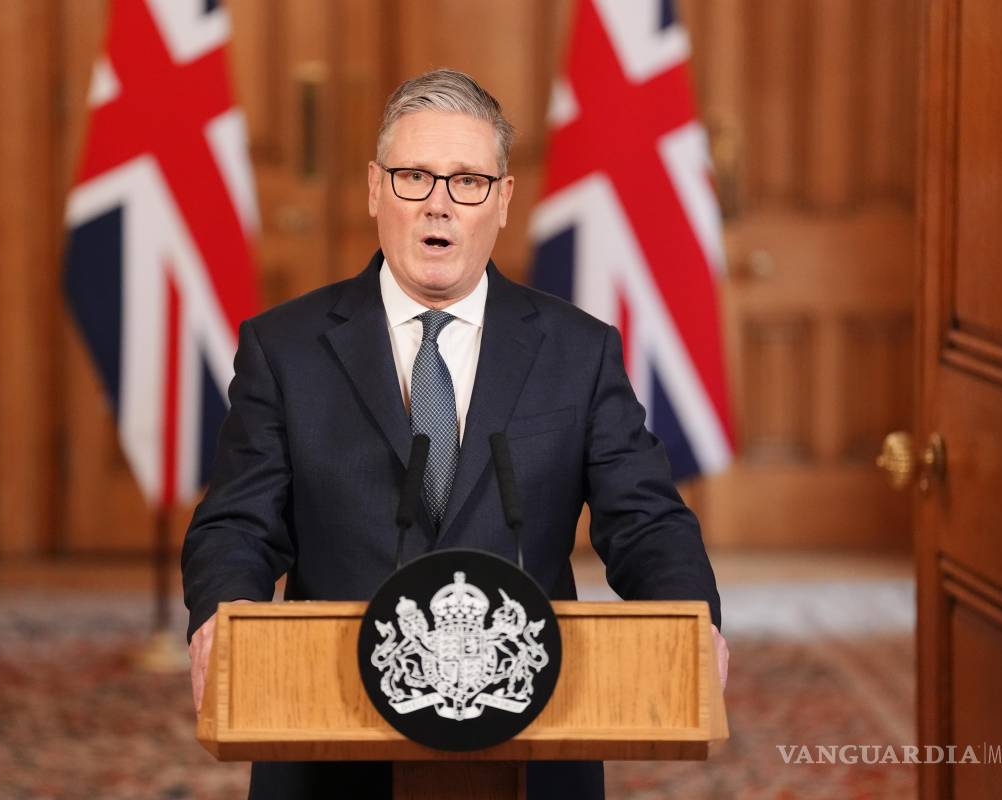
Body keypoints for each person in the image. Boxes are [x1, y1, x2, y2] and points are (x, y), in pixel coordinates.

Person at [182, 68, 728, 800]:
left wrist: (693, 619)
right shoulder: (285, 348)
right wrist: (226, 616)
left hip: (534, 727)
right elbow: (237, 524)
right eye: (414, 177)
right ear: (376, 189)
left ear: (502, 201)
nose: (438, 205)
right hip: (329, 733)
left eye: (468, 181)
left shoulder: (577, 350)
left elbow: (647, 521)